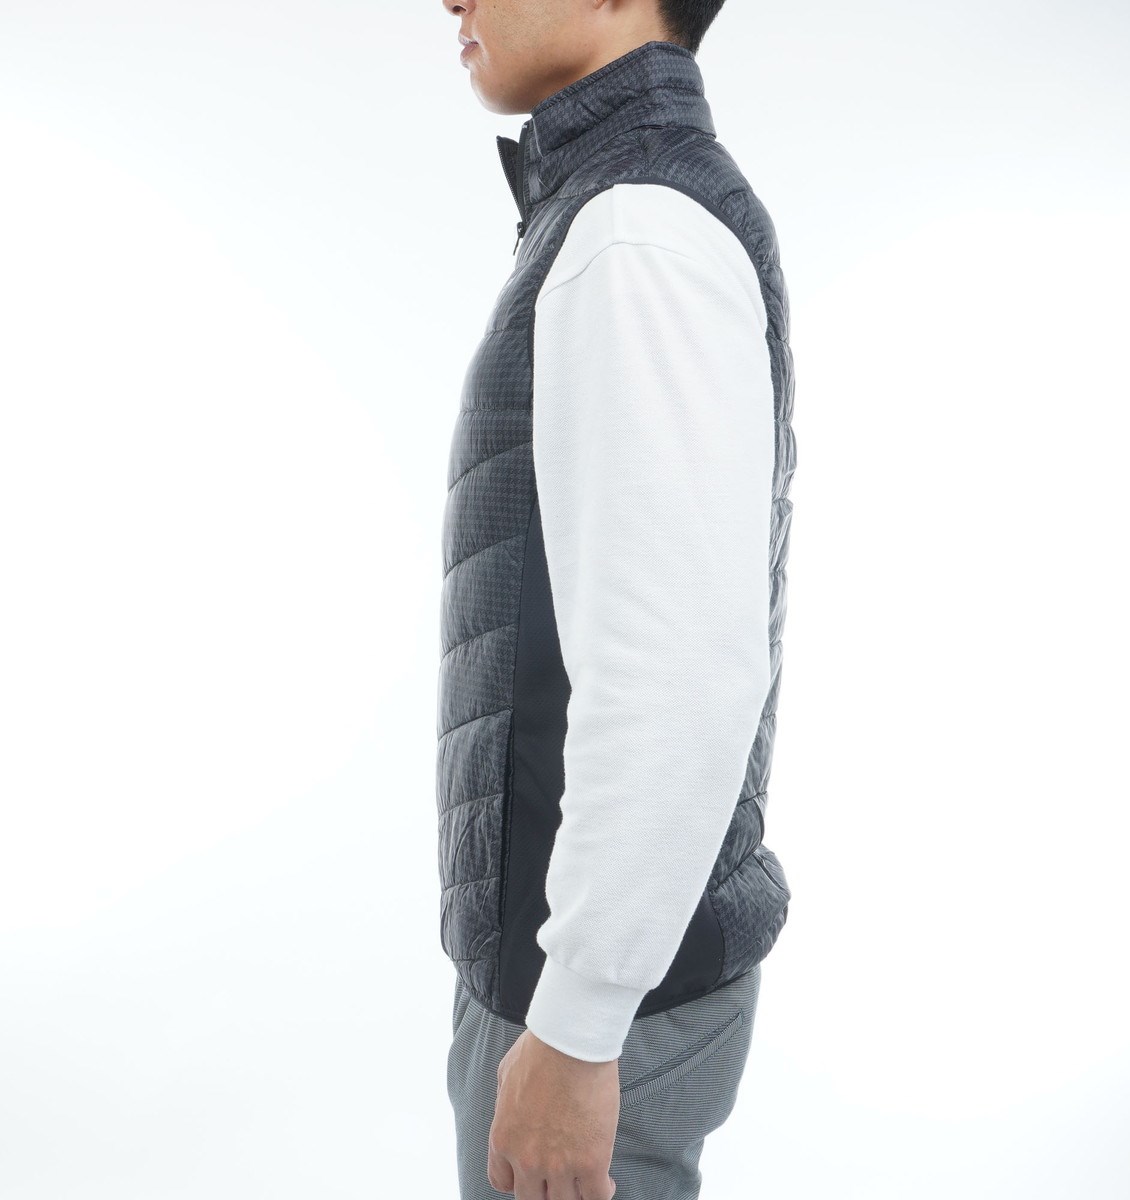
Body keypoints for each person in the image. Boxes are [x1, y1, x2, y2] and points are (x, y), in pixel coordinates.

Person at [436, 2, 797, 1197]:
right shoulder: (615, 212)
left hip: (595, 1010)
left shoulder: (635, 230)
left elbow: (682, 671)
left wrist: (579, 1022)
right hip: (578, 982)